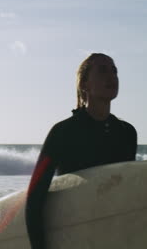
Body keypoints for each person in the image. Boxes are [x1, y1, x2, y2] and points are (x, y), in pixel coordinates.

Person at [25, 53, 138, 249]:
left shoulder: (127, 133)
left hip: (112, 237)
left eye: (115, 71)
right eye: (102, 70)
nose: (112, 76)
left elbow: (125, 192)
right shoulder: (63, 132)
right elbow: (35, 197)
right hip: (75, 236)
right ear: (84, 84)